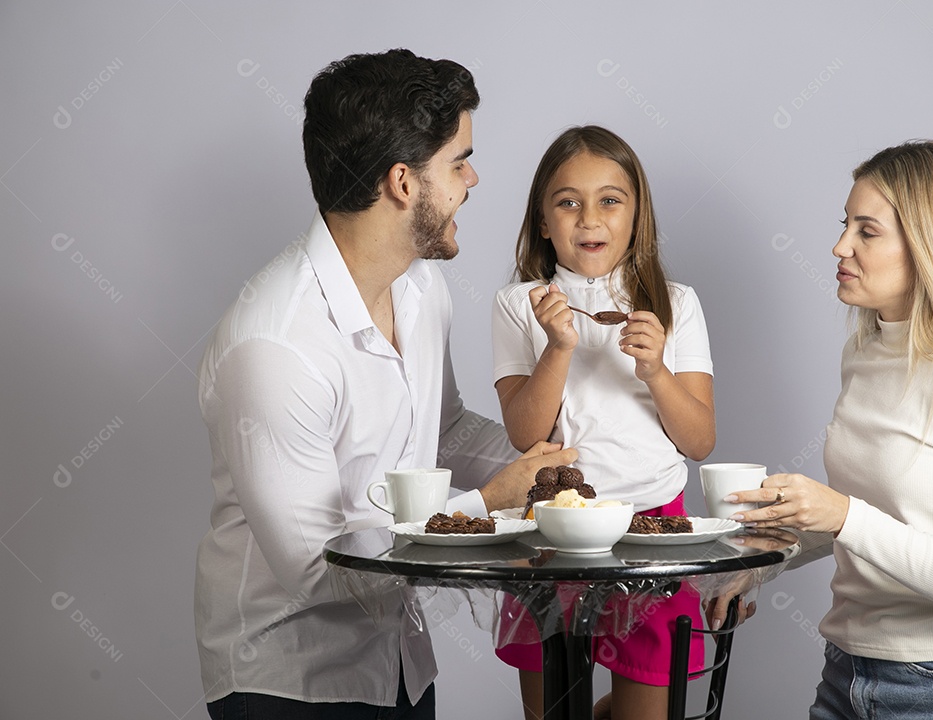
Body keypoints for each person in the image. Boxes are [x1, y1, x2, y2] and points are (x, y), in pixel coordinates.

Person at [194, 49, 577, 720]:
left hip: (400, 664)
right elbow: (322, 572)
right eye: (458, 162)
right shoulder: (275, 346)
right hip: (290, 685)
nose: (473, 177)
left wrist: (559, 458)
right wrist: (489, 503)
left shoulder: (423, 289)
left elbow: (445, 429)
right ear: (404, 182)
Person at [723, 140, 933, 719]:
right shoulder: (866, 351)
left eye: (866, 231)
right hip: (847, 672)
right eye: (844, 224)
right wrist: (759, 566)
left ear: (931, 249)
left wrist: (840, 512)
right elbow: (875, 522)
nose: (839, 246)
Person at [490, 125, 716, 720]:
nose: (589, 218)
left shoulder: (676, 303)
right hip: (552, 532)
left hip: (652, 529)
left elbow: (699, 441)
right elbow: (523, 433)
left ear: (636, 216)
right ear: (543, 220)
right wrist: (557, 346)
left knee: (647, 706)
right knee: (552, 709)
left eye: (610, 200)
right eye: (568, 202)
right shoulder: (520, 305)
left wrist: (657, 372)